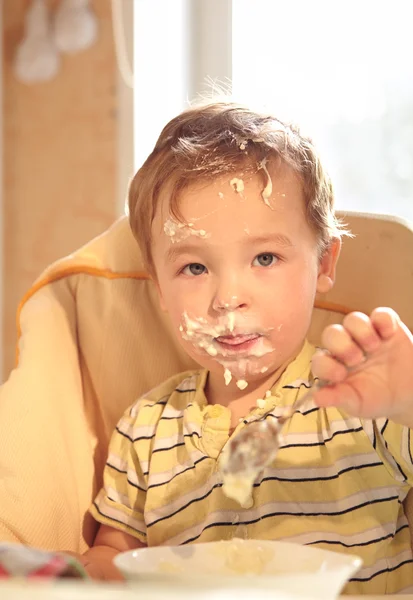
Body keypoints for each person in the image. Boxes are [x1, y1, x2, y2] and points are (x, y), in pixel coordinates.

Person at [77, 102, 413, 593]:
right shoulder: (145, 429)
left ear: (323, 263)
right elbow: (115, 554)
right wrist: (86, 569)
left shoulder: (365, 395)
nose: (228, 298)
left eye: (264, 257)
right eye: (194, 268)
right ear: (159, 291)